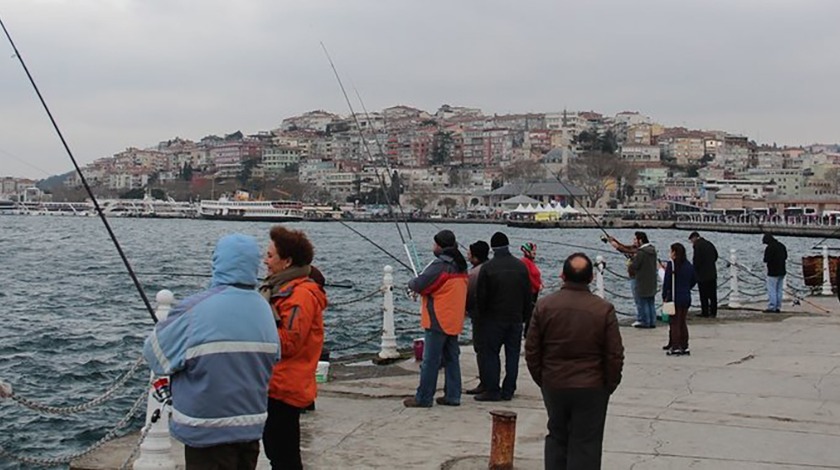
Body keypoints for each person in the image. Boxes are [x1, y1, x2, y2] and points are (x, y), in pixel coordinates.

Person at [143, 234, 280, 469]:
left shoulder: (195, 309)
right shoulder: (264, 309)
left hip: (207, 431)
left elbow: (155, 355)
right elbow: (274, 358)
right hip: (250, 427)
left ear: (217, 262)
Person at [525, 253, 624, 470]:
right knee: (587, 442)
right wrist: (609, 384)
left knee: (557, 437)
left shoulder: (544, 306)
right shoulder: (603, 309)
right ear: (590, 278)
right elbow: (614, 354)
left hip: (554, 382)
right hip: (592, 385)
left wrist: (542, 377)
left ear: (562, 275)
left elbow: (532, 349)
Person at [260, 226, 327, 470]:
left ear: (287, 261)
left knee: (283, 455)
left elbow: (289, 342)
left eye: (269, 256)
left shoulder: (300, 296)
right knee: (277, 449)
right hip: (276, 383)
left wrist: (255, 331)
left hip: (284, 386)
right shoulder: (282, 289)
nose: (265, 261)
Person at [403, 229, 469, 407]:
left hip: (438, 319)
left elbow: (419, 284)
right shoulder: (461, 265)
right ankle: (453, 396)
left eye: (434, 244)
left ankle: (424, 398)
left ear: (440, 246)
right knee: (452, 359)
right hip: (454, 319)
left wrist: (411, 282)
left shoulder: (440, 265)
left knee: (430, 361)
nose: (433, 247)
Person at [474, 231, 532, 401]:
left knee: (492, 354)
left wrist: (481, 317)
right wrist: (525, 316)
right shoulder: (521, 267)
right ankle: (509, 390)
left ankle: (492, 390)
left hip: (493, 319)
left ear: (492, 248)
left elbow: (481, 296)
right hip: (515, 319)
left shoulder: (488, 268)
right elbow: (527, 295)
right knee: (512, 355)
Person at [662, 243, 697, 356]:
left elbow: (667, 282)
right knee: (682, 322)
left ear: (674, 253)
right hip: (686, 296)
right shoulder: (688, 265)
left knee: (674, 322)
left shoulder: (671, 265)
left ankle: (676, 346)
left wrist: (664, 296)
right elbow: (694, 279)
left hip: (674, 296)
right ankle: (684, 345)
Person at [466, 240, 490, 395]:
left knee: (481, 350)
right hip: (494, 315)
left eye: (469, 253)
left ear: (475, 257)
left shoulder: (474, 273)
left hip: (480, 317)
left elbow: (468, 296)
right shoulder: (491, 267)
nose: (467, 256)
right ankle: (490, 381)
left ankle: (485, 383)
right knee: (490, 351)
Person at [607, 235, 642, 325]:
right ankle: (645, 318)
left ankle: (642, 319)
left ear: (640, 240)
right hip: (634, 277)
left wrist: (617, 246)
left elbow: (625, 250)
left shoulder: (640, 250)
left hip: (636, 277)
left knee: (639, 299)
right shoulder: (635, 248)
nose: (633, 241)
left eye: (635, 239)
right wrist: (614, 240)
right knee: (640, 299)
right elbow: (625, 247)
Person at [688, 232, 718, 318]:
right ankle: (713, 312)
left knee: (704, 295)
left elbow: (696, 261)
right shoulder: (709, 243)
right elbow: (716, 256)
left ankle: (705, 312)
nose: (692, 243)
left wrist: (694, 271)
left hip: (702, 275)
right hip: (712, 273)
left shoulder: (697, 246)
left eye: (691, 241)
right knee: (713, 295)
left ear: (694, 238)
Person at [520, 242, 543, 336]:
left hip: (535, 292)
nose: (535, 252)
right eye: (533, 250)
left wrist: (540, 283)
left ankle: (528, 334)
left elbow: (536, 275)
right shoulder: (524, 262)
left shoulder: (531, 262)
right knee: (529, 315)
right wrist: (538, 286)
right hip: (529, 293)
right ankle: (526, 335)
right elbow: (528, 277)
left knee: (532, 315)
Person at [762, 233, 787, 313]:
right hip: (782, 270)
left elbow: (766, 259)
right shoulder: (781, 246)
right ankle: (778, 306)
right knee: (779, 290)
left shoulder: (769, 248)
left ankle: (772, 306)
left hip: (773, 271)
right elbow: (785, 256)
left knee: (772, 289)